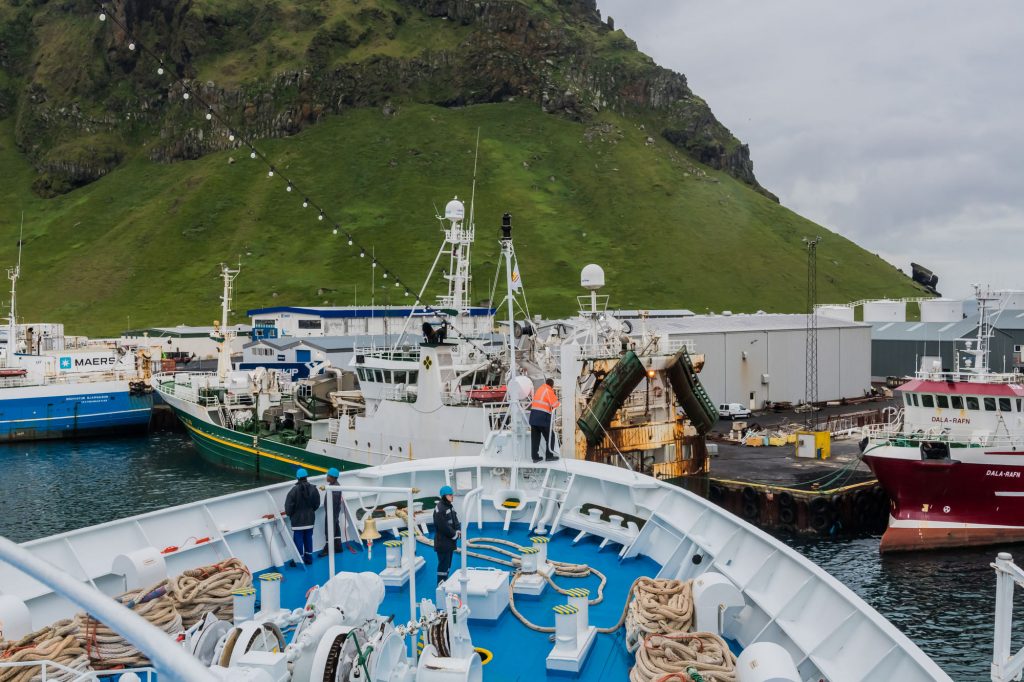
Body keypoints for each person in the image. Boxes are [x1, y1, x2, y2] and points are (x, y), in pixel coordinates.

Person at [285, 467, 320, 565]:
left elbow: (288, 508)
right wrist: (310, 511)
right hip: (310, 520)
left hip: (297, 521)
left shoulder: (293, 490)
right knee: (308, 538)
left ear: (297, 478)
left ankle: (299, 560)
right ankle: (309, 559)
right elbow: (316, 504)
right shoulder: (314, 489)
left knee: (298, 539)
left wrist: (291, 514)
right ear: (306, 477)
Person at [432, 485, 461, 585]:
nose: (452, 496)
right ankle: (440, 584)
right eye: (450, 495)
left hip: (449, 542)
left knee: (448, 565)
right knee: (443, 565)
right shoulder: (440, 509)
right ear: (444, 496)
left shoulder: (449, 506)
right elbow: (442, 526)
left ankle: (445, 581)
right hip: (443, 543)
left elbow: (455, 518)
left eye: (452, 494)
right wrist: (454, 535)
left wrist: (458, 529)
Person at [529, 378, 560, 462]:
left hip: (533, 417)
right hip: (542, 418)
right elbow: (555, 404)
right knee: (551, 437)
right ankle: (549, 456)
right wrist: (558, 401)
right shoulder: (549, 391)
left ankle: (535, 457)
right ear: (552, 385)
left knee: (535, 438)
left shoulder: (540, 389)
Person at [318, 467, 345, 557]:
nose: (326, 477)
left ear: (332, 477)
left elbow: (333, 501)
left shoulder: (335, 487)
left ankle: (328, 549)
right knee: (336, 528)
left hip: (332, 512)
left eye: (328, 475)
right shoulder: (334, 485)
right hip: (333, 512)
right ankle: (338, 547)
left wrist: (332, 514)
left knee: (329, 529)